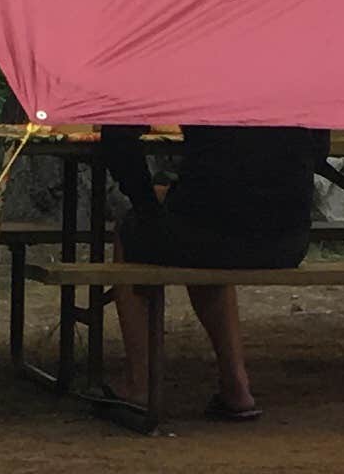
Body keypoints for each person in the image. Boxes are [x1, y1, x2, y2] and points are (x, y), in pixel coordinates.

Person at [98, 123, 326, 420]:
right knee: (203, 233)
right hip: (287, 239)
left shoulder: (192, 75)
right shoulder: (294, 78)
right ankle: (237, 386)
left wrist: (145, 207)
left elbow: (117, 136)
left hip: (208, 230)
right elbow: (320, 150)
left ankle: (139, 384)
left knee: (134, 232)